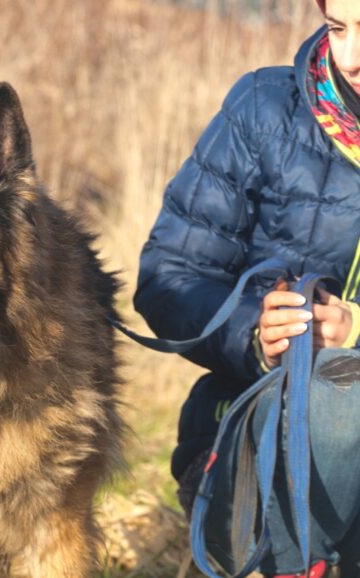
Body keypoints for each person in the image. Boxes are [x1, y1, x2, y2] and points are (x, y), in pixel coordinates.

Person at [134, 0, 360, 575]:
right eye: (338, 29)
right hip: (254, 429)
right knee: (344, 396)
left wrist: (355, 327)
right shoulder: (262, 110)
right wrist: (253, 331)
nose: (351, 58)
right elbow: (168, 277)